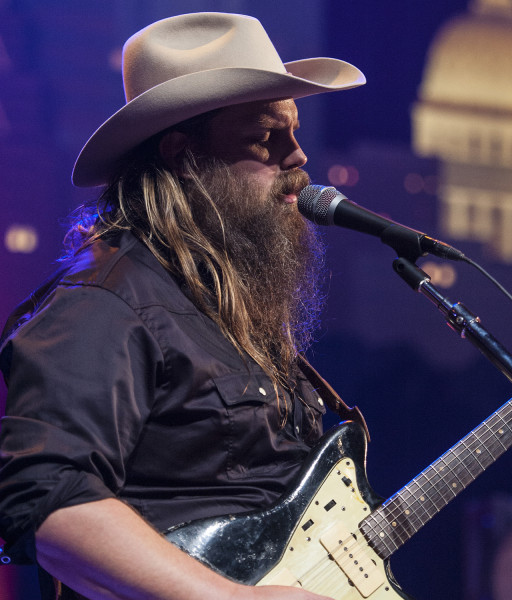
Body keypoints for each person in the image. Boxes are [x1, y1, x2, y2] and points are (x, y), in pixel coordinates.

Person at [0, 12, 366, 600]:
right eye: (265, 137)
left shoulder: (225, 310)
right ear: (183, 155)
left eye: (295, 133)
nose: (296, 157)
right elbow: (49, 497)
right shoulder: (105, 301)